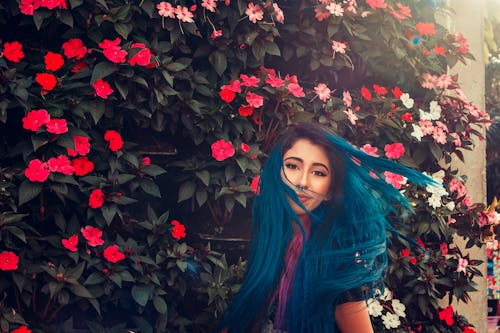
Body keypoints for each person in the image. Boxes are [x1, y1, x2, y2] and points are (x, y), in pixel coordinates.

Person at [217, 122, 435, 333]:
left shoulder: (334, 261)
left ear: (330, 191)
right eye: (293, 166)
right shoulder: (273, 237)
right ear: (278, 173)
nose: (302, 181)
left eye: (318, 172)